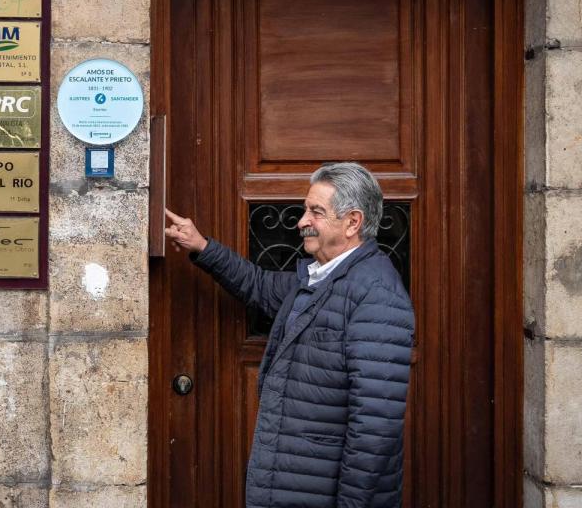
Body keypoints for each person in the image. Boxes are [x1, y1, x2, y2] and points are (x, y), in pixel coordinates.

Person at [165, 162, 414, 508]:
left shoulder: (375, 293)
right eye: (305, 210)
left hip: (322, 489)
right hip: (297, 482)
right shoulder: (321, 278)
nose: (301, 222)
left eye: (316, 212)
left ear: (352, 223)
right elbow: (259, 285)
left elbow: (374, 429)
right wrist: (201, 246)